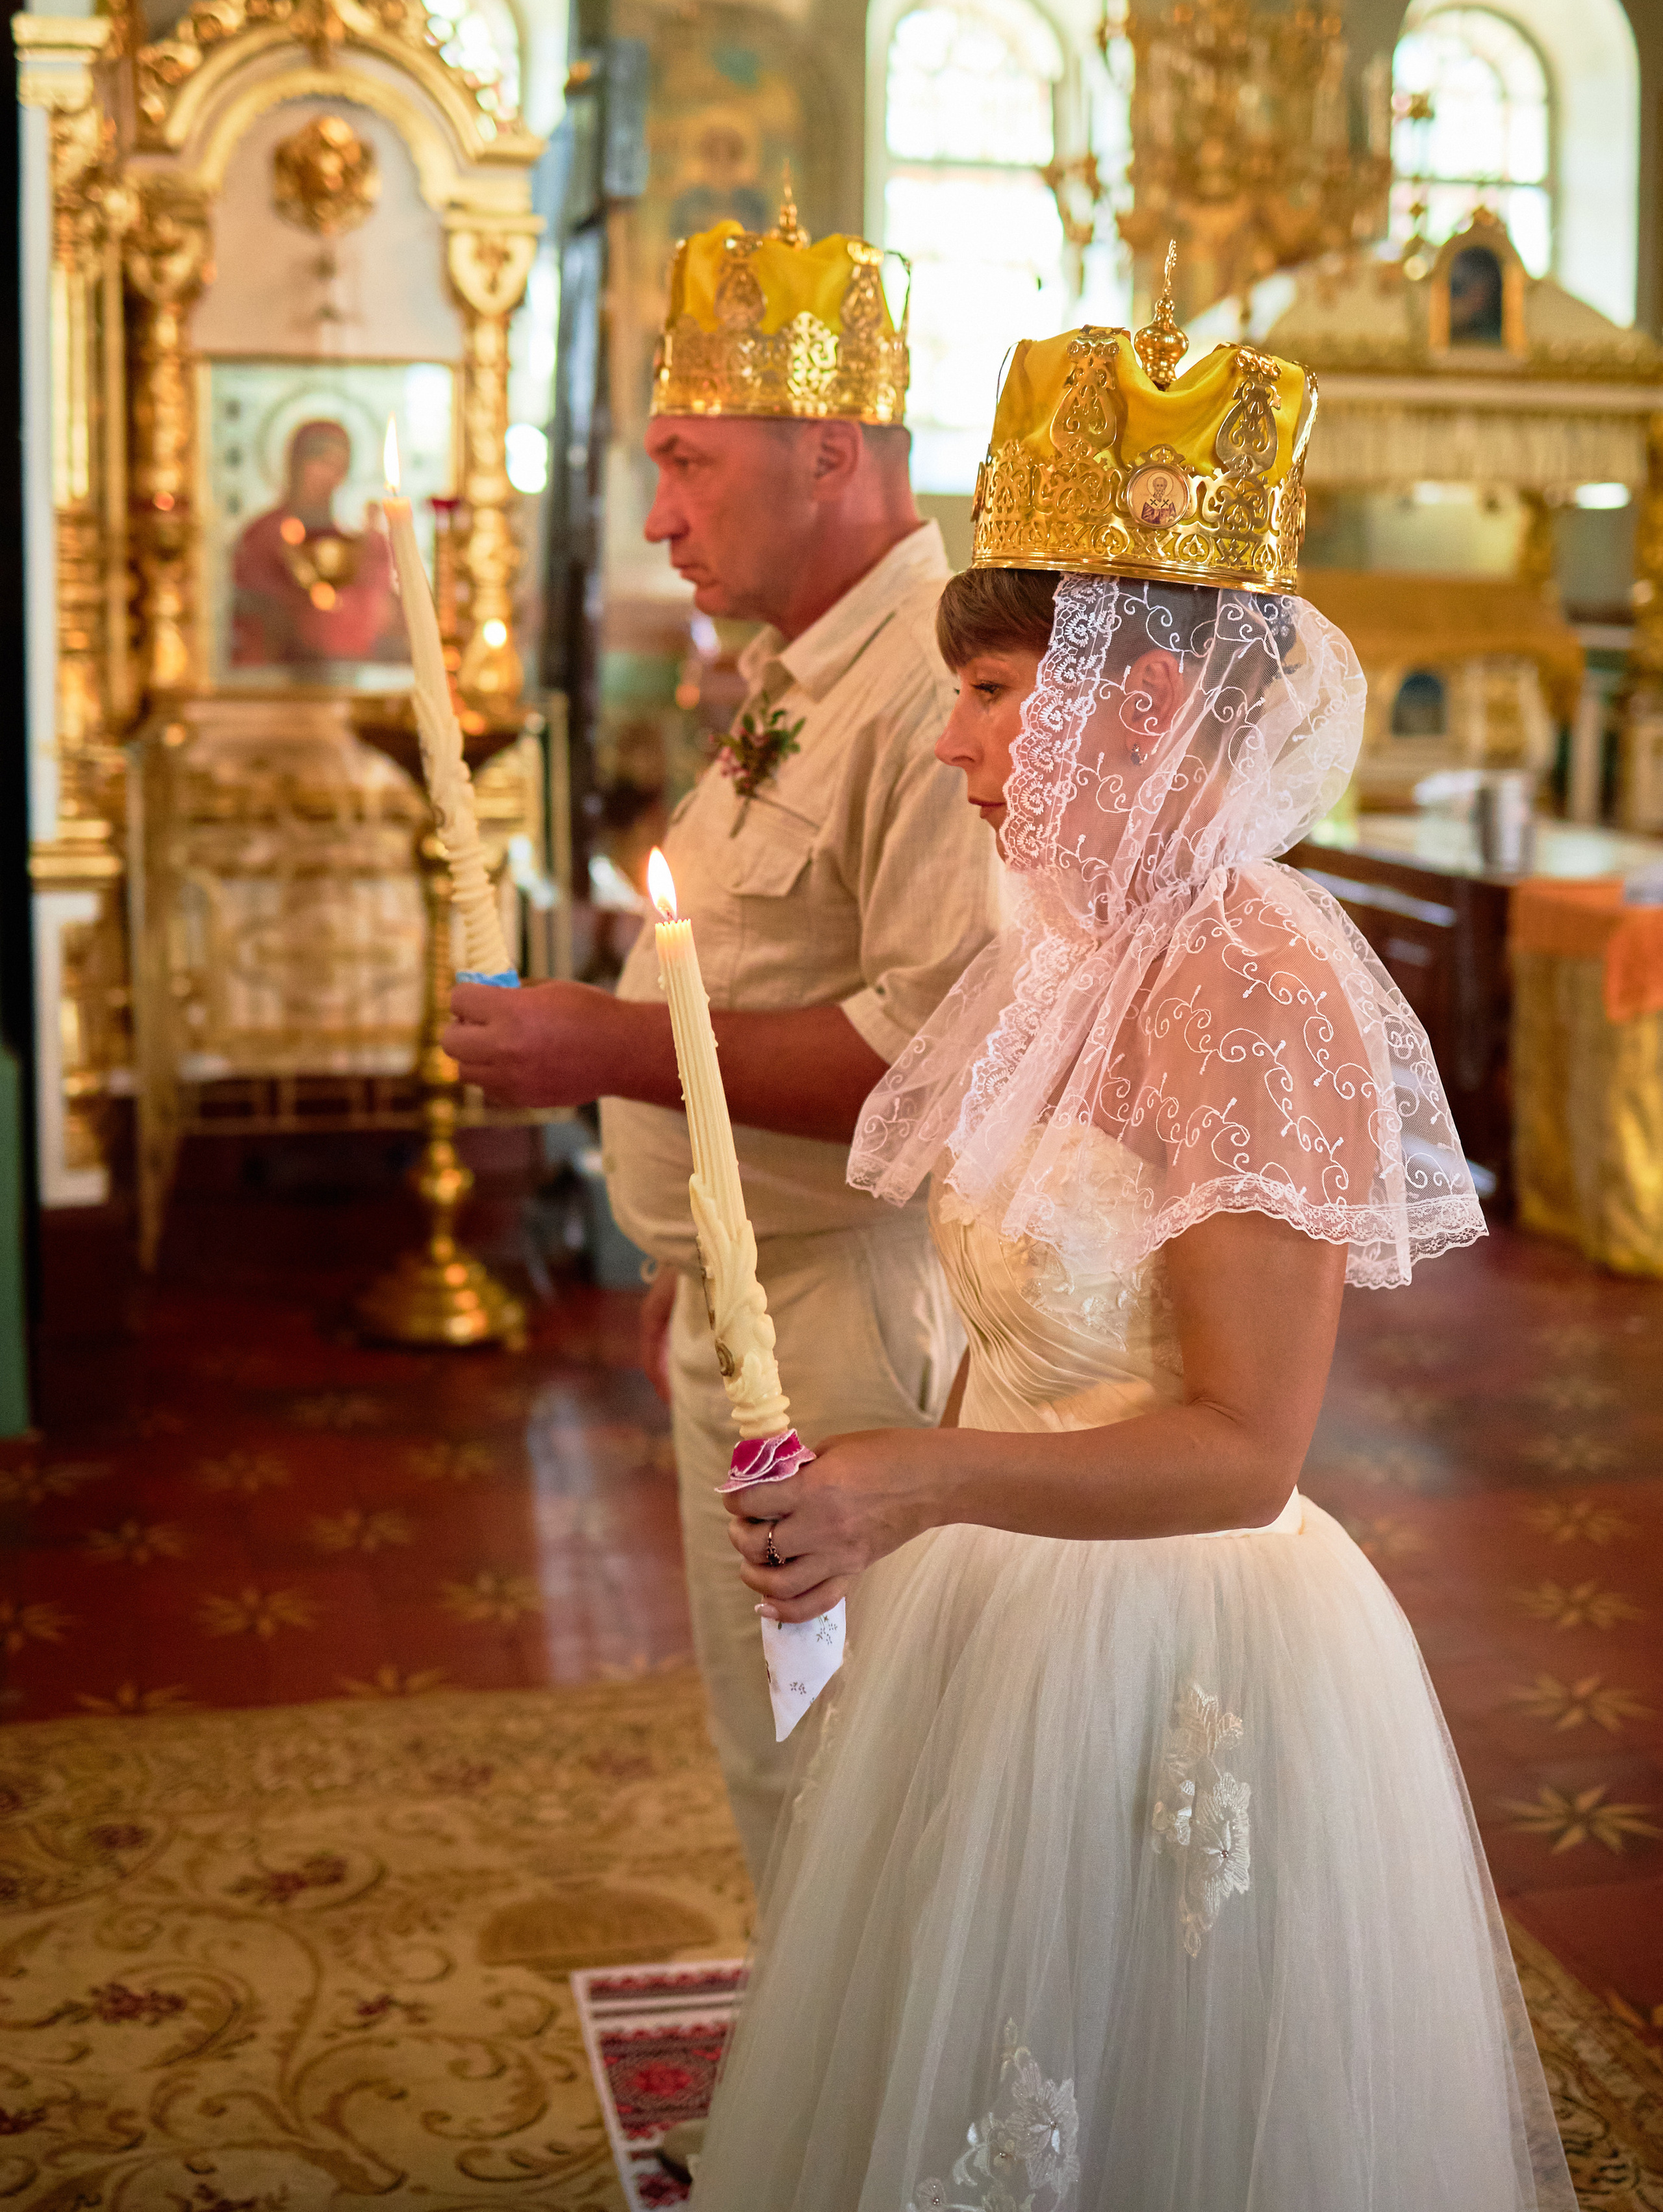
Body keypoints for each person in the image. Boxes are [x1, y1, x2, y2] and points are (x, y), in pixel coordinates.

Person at [692, 299, 1575, 2209]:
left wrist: (902, 1484)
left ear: (1144, 699)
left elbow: (1247, 1447)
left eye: (997, 688)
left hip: (1166, 1627)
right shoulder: (1079, 958)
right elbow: (1013, 1310)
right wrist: (883, 1511)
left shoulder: (1254, 989)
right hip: (993, 1595)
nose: (952, 744)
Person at [443, 195, 1001, 1879]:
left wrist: (601, 1049)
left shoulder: (932, 682)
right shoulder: (796, 667)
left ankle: (886, 2139)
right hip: (759, 1294)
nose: (661, 517)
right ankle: (812, 2114)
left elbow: (931, 1066)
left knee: (866, 1769)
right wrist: (685, 1258)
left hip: (850, 1310)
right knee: (780, 1754)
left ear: (828, 450)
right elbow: (765, 960)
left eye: (688, 462)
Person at [230, 418, 401, 671]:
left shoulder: (352, 540)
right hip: (280, 674)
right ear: (296, 465)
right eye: (320, 462)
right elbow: (251, 609)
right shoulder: (264, 533)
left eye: (338, 466)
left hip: (347, 670)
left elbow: (380, 613)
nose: (329, 476)